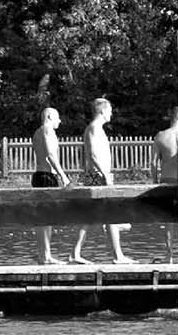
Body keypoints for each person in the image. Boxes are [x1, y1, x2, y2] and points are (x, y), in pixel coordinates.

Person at [74, 98, 133, 265]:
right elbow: (92, 154)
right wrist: (104, 174)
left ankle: (77, 253)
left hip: (98, 175)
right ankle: (117, 255)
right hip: (98, 176)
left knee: (96, 216)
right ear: (102, 111)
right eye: (110, 110)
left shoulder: (96, 128)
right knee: (108, 215)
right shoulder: (93, 128)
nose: (111, 113)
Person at [30, 107, 69, 264]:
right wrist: (63, 176)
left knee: (42, 219)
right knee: (47, 218)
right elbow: (51, 154)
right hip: (47, 176)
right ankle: (46, 256)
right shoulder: (47, 130)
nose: (59, 121)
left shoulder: (37, 132)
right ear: (49, 116)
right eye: (57, 118)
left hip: (39, 175)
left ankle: (43, 255)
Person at [150, 111, 178, 258]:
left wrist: (155, 183)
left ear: (172, 118)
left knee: (169, 221)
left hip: (167, 180)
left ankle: (169, 255)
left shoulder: (161, 136)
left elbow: (153, 163)